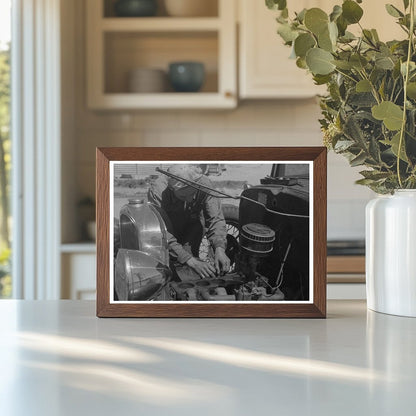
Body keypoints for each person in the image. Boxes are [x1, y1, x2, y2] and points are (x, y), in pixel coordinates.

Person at [148, 164, 230, 279]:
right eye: (184, 196)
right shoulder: (158, 191)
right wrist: (189, 260)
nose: (190, 199)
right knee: (166, 270)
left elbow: (215, 218)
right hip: (169, 229)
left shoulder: (204, 183)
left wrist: (220, 248)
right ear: (172, 189)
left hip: (192, 226)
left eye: (193, 194)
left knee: (189, 271)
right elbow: (161, 231)